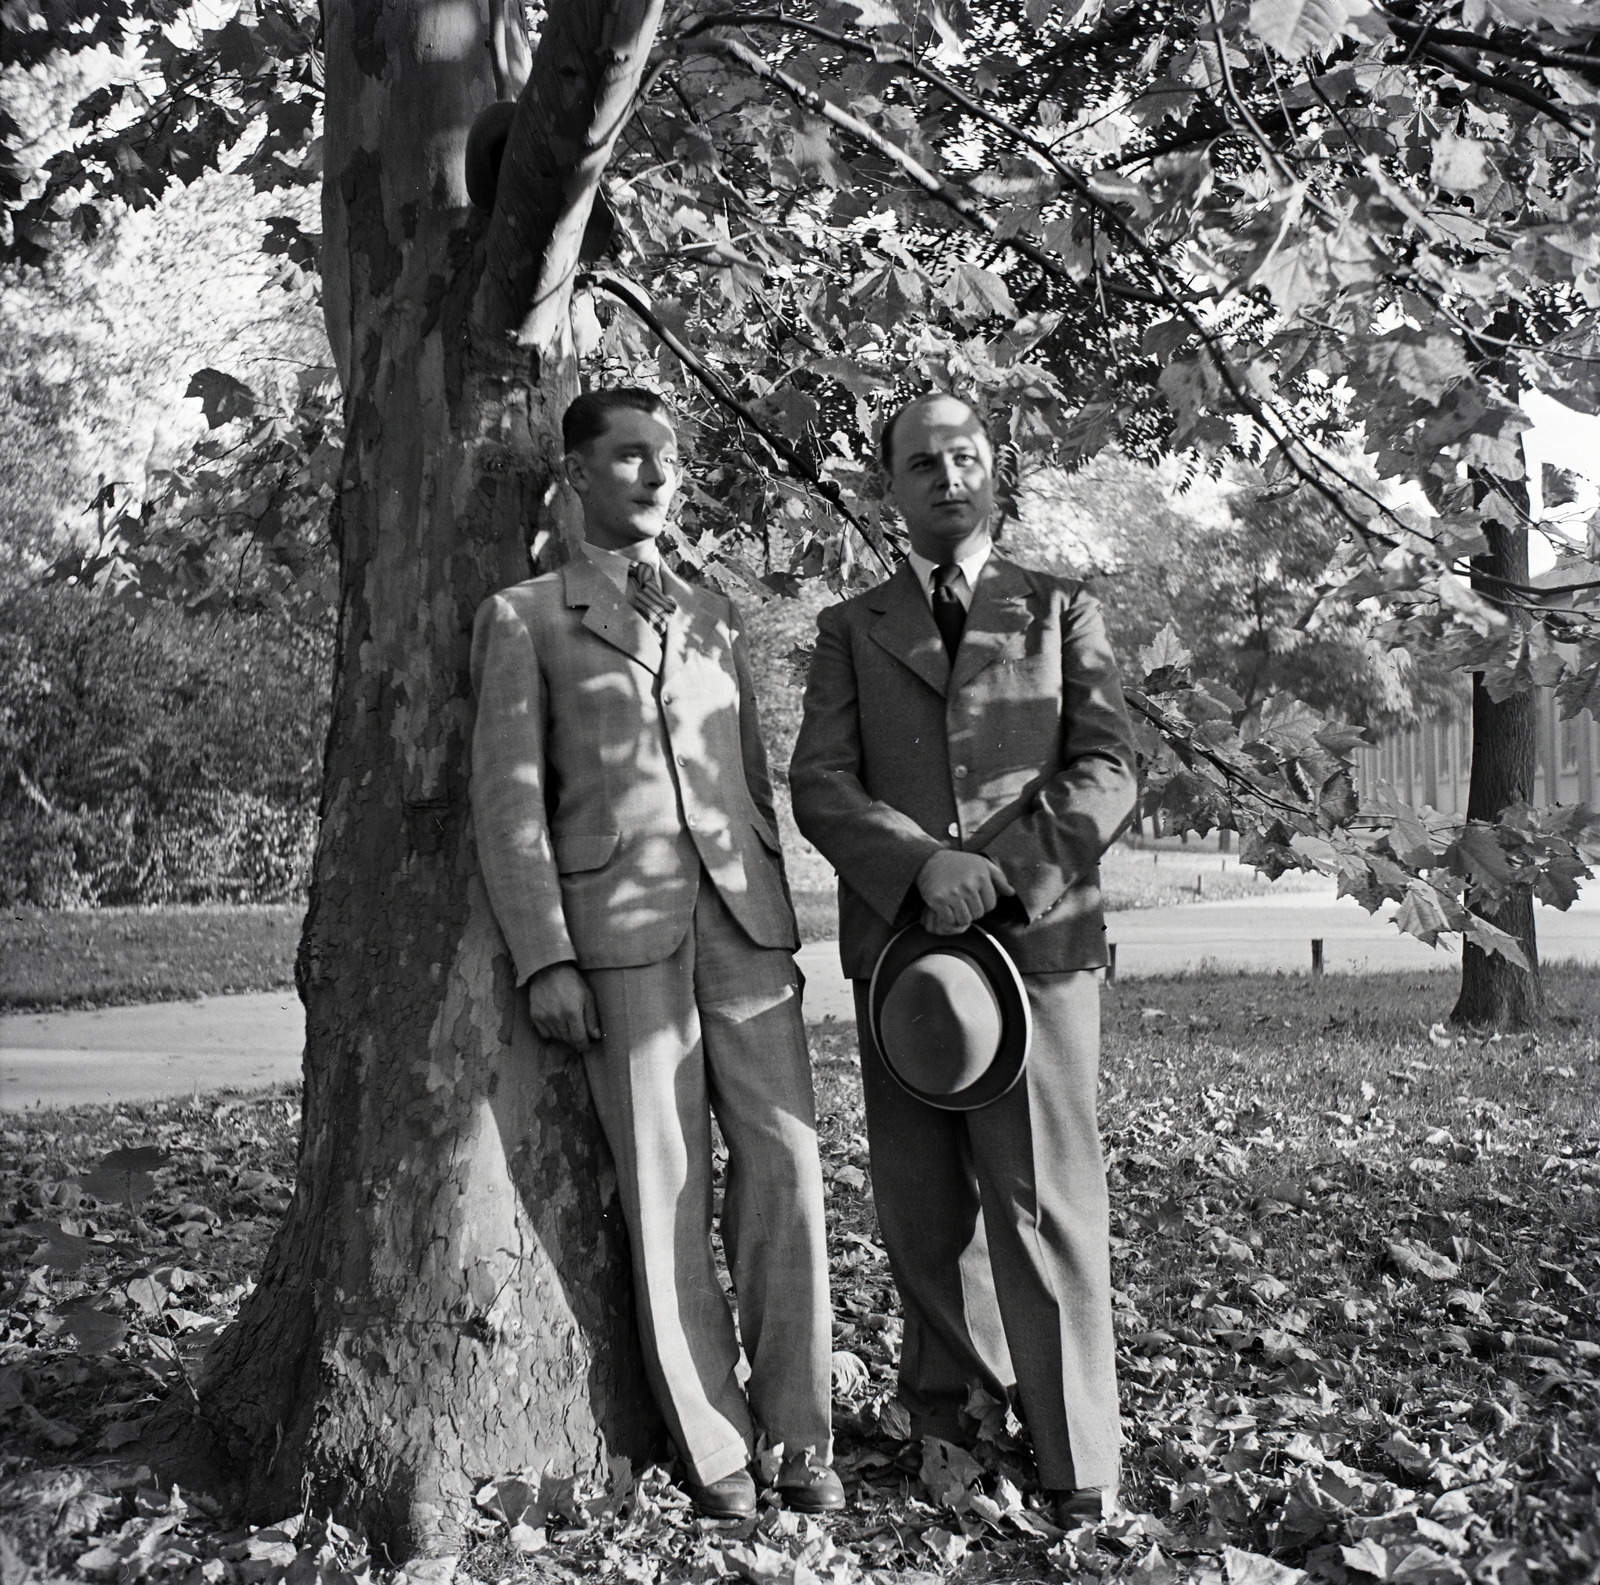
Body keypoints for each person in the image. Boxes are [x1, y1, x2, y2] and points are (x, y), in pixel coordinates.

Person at [469, 388, 841, 1519]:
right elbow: (508, 800)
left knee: (788, 1171)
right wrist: (545, 958)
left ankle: (800, 1436)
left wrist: (774, 907)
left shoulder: (713, 610)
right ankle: (717, 1446)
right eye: (627, 458)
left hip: (745, 932)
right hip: (617, 943)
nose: (653, 477)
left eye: (666, 461)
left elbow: (743, 770)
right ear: (575, 475)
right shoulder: (525, 616)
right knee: (666, 1190)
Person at [789, 391, 1138, 1525]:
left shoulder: (1060, 607)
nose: (948, 474)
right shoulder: (851, 627)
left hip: (1036, 949)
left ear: (999, 473)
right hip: (902, 957)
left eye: (968, 455)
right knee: (921, 1204)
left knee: (1041, 1200)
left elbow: (1107, 768)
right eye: (921, 461)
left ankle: (1077, 1455)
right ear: (885, 485)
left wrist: (997, 871)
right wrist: (918, 867)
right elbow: (821, 781)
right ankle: (951, 1425)